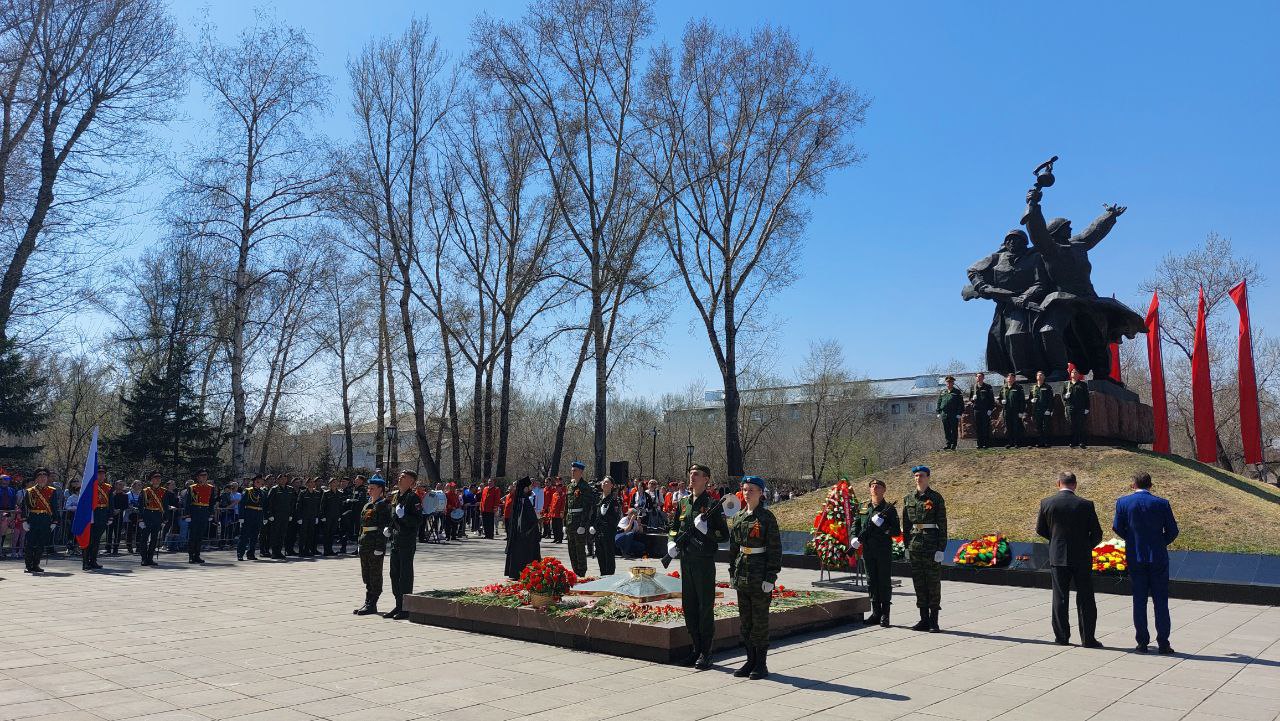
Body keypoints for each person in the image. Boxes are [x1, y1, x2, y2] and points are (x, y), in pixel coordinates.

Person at [667, 463, 730, 670]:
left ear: (706, 479)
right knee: (689, 607)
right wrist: (671, 542)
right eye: (691, 474)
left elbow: (723, 535)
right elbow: (675, 526)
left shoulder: (712, 504)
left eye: (697, 475)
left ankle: (706, 652)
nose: (692, 477)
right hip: (686, 561)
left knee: (704, 607)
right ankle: (695, 648)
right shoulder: (683, 502)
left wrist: (707, 532)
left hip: (703, 562)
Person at [1112, 472, 1179, 654]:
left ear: (1133, 484)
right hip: (1157, 557)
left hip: (1136, 557)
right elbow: (1173, 530)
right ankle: (1163, 643)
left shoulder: (1123, 503)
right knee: (1161, 601)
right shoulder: (1162, 503)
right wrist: (1160, 542)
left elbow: (1117, 527)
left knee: (1139, 600)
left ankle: (1142, 642)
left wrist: (1132, 540)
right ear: (1151, 485)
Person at [1036, 471, 1103, 647]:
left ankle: (1061, 637)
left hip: (1057, 556)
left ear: (1058, 483)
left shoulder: (1047, 503)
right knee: (1086, 597)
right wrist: (1085, 547)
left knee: (1059, 597)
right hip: (1081, 557)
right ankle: (1088, 638)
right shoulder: (1086, 505)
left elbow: (1040, 529)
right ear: (1075, 484)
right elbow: (1097, 534)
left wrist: (1055, 541)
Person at [729, 475, 782, 680]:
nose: (747, 492)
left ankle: (761, 664)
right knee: (746, 622)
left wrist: (771, 576)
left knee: (760, 622)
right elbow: (734, 548)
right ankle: (749, 660)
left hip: (760, 576)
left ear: (761, 493)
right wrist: (732, 573)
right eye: (744, 489)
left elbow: (775, 549)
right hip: (742, 573)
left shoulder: (767, 517)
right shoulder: (739, 516)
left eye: (752, 489)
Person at [902, 465, 947, 632]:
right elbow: (906, 524)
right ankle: (923, 619)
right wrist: (906, 545)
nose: (918, 478)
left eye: (921, 475)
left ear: (928, 477)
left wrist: (941, 548)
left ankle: (934, 621)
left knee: (933, 583)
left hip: (931, 545)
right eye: (915, 476)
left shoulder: (936, 498)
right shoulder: (908, 498)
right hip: (915, 545)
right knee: (919, 583)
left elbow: (942, 524)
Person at [852, 478, 901, 627]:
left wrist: (883, 526)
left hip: (883, 551)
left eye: (878, 486)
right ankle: (875, 613)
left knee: (884, 581)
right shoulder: (863, 508)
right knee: (871, 580)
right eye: (872, 486)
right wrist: (853, 538)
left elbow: (896, 531)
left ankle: (885, 615)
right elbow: (856, 525)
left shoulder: (889, 509)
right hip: (868, 550)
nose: (874, 488)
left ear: (884, 490)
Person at [385, 470, 424, 619]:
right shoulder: (396, 496)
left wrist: (405, 517)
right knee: (394, 573)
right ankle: (398, 604)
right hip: (395, 540)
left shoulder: (413, 498)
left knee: (405, 575)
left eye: (405, 476)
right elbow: (394, 516)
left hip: (407, 541)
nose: (401, 476)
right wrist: (389, 527)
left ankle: (406, 607)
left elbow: (418, 521)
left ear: (412, 482)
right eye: (401, 475)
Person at [354, 475, 391, 616]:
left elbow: (383, 528)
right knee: (367, 575)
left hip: (374, 545)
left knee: (375, 575)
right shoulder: (367, 505)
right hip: (365, 543)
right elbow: (362, 526)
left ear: (380, 489)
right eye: (368, 488)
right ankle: (367, 601)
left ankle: (372, 603)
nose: (369, 491)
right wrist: (359, 542)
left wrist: (380, 547)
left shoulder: (382, 505)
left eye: (372, 488)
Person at [504, 477, 542, 580]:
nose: (531, 489)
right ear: (525, 488)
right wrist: (537, 520)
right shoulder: (524, 500)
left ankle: (515, 572)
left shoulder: (518, 499)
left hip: (518, 533)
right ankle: (525, 572)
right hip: (525, 534)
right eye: (529, 487)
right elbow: (530, 518)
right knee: (525, 553)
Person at [564, 461, 597, 576]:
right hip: (570, 522)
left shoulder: (585, 487)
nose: (572, 472)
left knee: (579, 549)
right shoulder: (570, 486)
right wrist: (564, 523)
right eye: (572, 470)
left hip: (579, 523)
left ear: (581, 472)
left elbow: (587, 508)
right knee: (571, 549)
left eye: (575, 470)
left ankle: (581, 572)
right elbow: (566, 506)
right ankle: (575, 571)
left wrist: (583, 525)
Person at [21, 469, 56, 573]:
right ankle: (28, 565)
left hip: (45, 519)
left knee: (41, 543)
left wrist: (55, 521)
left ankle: (36, 564)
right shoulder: (30, 491)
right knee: (30, 543)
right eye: (40, 477)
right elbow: (25, 507)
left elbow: (54, 507)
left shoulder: (52, 491)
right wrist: (24, 521)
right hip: (33, 518)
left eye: (44, 477)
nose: (42, 479)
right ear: (36, 479)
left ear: (47, 479)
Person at [138, 472, 172, 567]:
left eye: (159, 478)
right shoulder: (145, 491)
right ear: (151, 480)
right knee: (144, 539)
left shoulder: (164, 491)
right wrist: (140, 519)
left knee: (154, 539)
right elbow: (141, 506)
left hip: (157, 516)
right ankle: (144, 558)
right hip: (147, 515)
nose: (158, 480)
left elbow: (165, 505)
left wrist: (165, 518)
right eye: (155, 478)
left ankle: (150, 558)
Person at [83, 468, 112, 571]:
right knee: (88, 539)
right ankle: (85, 562)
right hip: (92, 514)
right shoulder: (90, 486)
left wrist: (110, 516)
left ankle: (93, 561)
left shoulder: (108, 487)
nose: (101, 476)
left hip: (102, 514)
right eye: (99, 474)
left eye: (103, 474)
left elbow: (111, 503)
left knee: (96, 540)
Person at [184, 470, 216, 564]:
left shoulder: (211, 488)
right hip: (195, 511)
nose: (204, 477)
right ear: (197, 477)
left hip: (204, 512)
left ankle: (197, 555)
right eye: (202, 475)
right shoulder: (192, 487)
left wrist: (211, 513)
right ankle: (191, 556)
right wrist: (188, 514)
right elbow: (188, 502)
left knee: (200, 535)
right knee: (193, 535)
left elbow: (211, 502)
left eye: (205, 475)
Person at [594, 476, 621, 576]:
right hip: (598, 532)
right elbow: (594, 515)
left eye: (607, 482)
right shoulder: (599, 499)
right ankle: (602, 575)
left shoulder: (614, 501)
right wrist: (593, 526)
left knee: (608, 555)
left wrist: (607, 515)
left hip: (608, 532)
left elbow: (615, 519)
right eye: (603, 482)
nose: (604, 484)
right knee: (600, 555)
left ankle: (609, 577)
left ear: (612, 486)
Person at [237, 475, 266, 561]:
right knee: (244, 536)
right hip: (249, 514)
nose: (259, 484)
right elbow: (241, 504)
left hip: (258, 515)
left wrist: (264, 517)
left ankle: (251, 553)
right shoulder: (248, 491)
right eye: (257, 482)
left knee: (254, 536)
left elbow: (264, 506)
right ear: (253, 482)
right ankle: (240, 553)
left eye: (261, 482)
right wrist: (241, 517)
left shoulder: (262, 492)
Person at [265, 474, 293, 560]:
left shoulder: (290, 489)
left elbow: (291, 503)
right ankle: (274, 552)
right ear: (278, 480)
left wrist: (291, 514)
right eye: (282, 479)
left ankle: (279, 551)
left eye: (285, 479)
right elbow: (269, 502)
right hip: (276, 515)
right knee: (275, 534)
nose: (284, 480)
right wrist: (270, 514)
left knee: (282, 534)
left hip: (285, 515)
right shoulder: (274, 489)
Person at [1063, 366, 1091, 448]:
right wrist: (1065, 396)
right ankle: (1073, 441)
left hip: (1080, 408)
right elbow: (1063, 395)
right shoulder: (1066, 384)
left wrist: (1087, 408)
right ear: (1070, 374)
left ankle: (1082, 442)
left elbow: (1086, 397)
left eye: (1076, 372)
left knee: (1080, 425)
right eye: (1072, 372)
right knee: (1072, 425)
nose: (1074, 374)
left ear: (1078, 375)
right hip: (1070, 407)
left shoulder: (1083, 384)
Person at [999, 372, 1027, 448]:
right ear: (1006, 379)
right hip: (1007, 411)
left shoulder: (1018, 387)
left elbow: (1022, 400)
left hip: (1016, 411)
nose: (1009, 379)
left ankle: (1017, 443)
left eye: (1011, 377)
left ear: (1014, 379)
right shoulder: (1003, 388)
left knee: (1016, 427)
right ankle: (1010, 442)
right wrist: (1001, 402)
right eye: (1008, 377)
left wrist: (1021, 412)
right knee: (1008, 427)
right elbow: (1000, 398)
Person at [936, 376, 964, 450]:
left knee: (954, 430)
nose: (949, 383)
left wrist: (959, 413)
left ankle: (953, 444)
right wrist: (938, 412)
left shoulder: (957, 392)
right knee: (947, 430)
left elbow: (961, 404)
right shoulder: (943, 392)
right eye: (947, 382)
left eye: (950, 382)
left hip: (954, 414)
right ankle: (948, 444)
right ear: (946, 383)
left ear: (953, 383)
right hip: (944, 414)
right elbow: (939, 402)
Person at [296, 477, 323, 557]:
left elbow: (319, 506)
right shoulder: (303, 493)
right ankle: (301, 551)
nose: (311, 484)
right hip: (304, 517)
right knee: (303, 535)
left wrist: (317, 517)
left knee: (311, 534)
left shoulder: (317, 493)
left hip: (313, 517)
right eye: (309, 482)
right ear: (306, 484)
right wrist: (299, 517)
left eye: (312, 482)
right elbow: (298, 505)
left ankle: (307, 550)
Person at [969, 372, 996, 449]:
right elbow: (970, 399)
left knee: (985, 427)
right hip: (977, 410)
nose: (979, 378)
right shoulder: (973, 387)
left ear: (983, 378)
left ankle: (986, 444)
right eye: (977, 377)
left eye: (980, 376)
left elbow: (991, 399)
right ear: (976, 378)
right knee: (978, 427)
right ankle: (979, 444)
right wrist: (972, 399)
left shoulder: (988, 387)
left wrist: (990, 409)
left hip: (986, 410)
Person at [1029, 370, 1055, 447]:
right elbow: (1030, 399)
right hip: (1036, 411)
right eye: (1038, 375)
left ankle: (1047, 442)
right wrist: (1031, 400)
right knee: (1038, 427)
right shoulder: (1033, 388)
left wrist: (1049, 410)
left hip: (1045, 410)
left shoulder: (1047, 387)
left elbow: (1051, 400)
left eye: (1041, 375)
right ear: (1036, 377)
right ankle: (1040, 442)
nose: (1039, 376)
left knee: (1046, 427)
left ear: (1044, 377)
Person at [343, 476, 366, 554]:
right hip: (354, 511)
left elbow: (360, 500)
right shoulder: (355, 488)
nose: (355, 480)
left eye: (357, 479)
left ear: (361, 481)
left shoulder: (362, 489)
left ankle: (359, 548)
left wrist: (350, 500)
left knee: (358, 530)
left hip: (358, 512)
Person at [320, 478, 343, 556]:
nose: (334, 484)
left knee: (332, 534)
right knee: (326, 534)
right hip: (327, 516)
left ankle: (330, 550)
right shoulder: (326, 493)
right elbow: (322, 505)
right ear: (329, 484)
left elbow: (340, 506)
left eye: (336, 482)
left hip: (335, 516)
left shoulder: (339, 493)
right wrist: (322, 516)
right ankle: (326, 550)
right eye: (333, 482)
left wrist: (339, 515)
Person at [107, 480, 128, 554]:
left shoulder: (125, 495)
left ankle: (115, 548)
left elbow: (126, 506)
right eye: (119, 484)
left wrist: (119, 510)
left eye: (122, 485)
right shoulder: (111, 494)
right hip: (110, 515)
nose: (121, 486)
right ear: (115, 485)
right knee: (109, 531)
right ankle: (108, 548)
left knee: (117, 532)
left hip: (119, 515)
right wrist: (112, 510)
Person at [547, 477, 566, 543]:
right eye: (557, 487)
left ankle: (560, 539)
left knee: (559, 527)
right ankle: (555, 538)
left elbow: (563, 504)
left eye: (559, 487)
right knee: (554, 527)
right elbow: (552, 504)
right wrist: (550, 512)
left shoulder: (563, 495)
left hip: (559, 513)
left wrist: (562, 512)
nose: (558, 488)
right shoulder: (554, 494)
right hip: (553, 513)